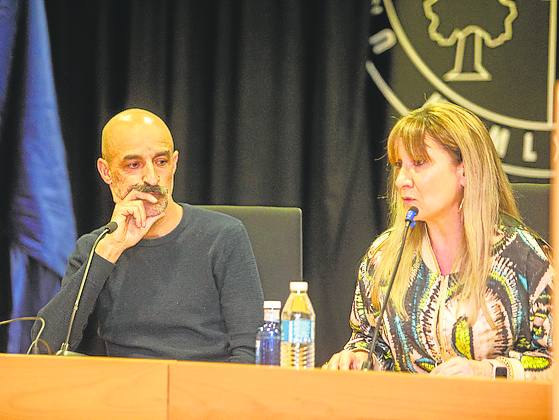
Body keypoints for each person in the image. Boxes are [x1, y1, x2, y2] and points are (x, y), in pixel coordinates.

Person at [325, 102, 553, 380]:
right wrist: (359, 357)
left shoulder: (526, 257)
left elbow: (553, 363)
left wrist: (488, 372)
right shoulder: (383, 256)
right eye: (399, 165)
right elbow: (369, 339)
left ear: (465, 172)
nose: (401, 181)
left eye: (419, 163)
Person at [32, 108, 264, 363]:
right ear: (106, 172)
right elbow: (45, 349)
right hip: (125, 396)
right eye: (134, 165)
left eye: (161, 162)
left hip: (205, 394)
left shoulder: (223, 237)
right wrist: (110, 250)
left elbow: (251, 353)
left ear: (174, 163)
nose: (152, 178)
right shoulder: (96, 248)